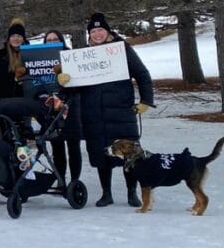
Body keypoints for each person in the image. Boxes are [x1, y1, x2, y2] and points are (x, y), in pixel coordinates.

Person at [59, 12, 154, 207]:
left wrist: (146, 100)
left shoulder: (122, 49)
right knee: (102, 154)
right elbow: (75, 87)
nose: (97, 34)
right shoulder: (83, 56)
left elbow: (142, 74)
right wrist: (64, 82)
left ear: (108, 31)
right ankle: (106, 193)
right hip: (94, 113)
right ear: (89, 34)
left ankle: (131, 193)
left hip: (121, 111)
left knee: (129, 154)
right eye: (93, 31)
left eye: (100, 29)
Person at [41, 29, 83, 186]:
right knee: (57, 146)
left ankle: (75, 181)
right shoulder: (41, 58)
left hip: (71, 104)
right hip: (51, 105)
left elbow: (81, 83)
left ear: (61, 41)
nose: (52, 42)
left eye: (55, 39)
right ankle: (60, 180)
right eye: (49, 40)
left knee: (73, 146)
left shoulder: (70, 56)